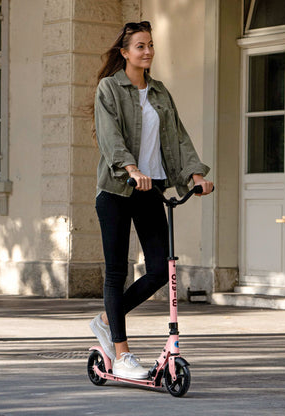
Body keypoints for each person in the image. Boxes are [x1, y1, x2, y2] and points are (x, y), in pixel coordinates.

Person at [90, 21, 213, 380]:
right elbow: (109, 135)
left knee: (160, 269)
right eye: (139, 46)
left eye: (150, 46)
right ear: (124, 53)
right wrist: (130, 166)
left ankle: (105, 320)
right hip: (117, 189)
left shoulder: (159, 93)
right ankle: (122, 352)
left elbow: (178, 137)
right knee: (117, 271)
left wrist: (195, 175)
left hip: (151, 190)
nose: (147, 52)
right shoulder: (109, 89)